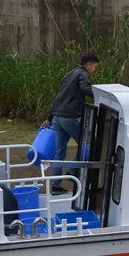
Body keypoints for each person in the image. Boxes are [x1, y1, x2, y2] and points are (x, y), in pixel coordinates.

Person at [43, 53, 100, 193]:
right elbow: (85, 88)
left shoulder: (69, 74)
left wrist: (49, 117)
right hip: (69, 118)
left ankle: (55, 186)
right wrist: (101, 96)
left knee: (59, 153)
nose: (94, 70)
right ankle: (72, 171)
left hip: (57, 118)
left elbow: (59, 96)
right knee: (88, 146)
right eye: (95, 67)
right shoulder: (83, 74)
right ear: (89, 64)